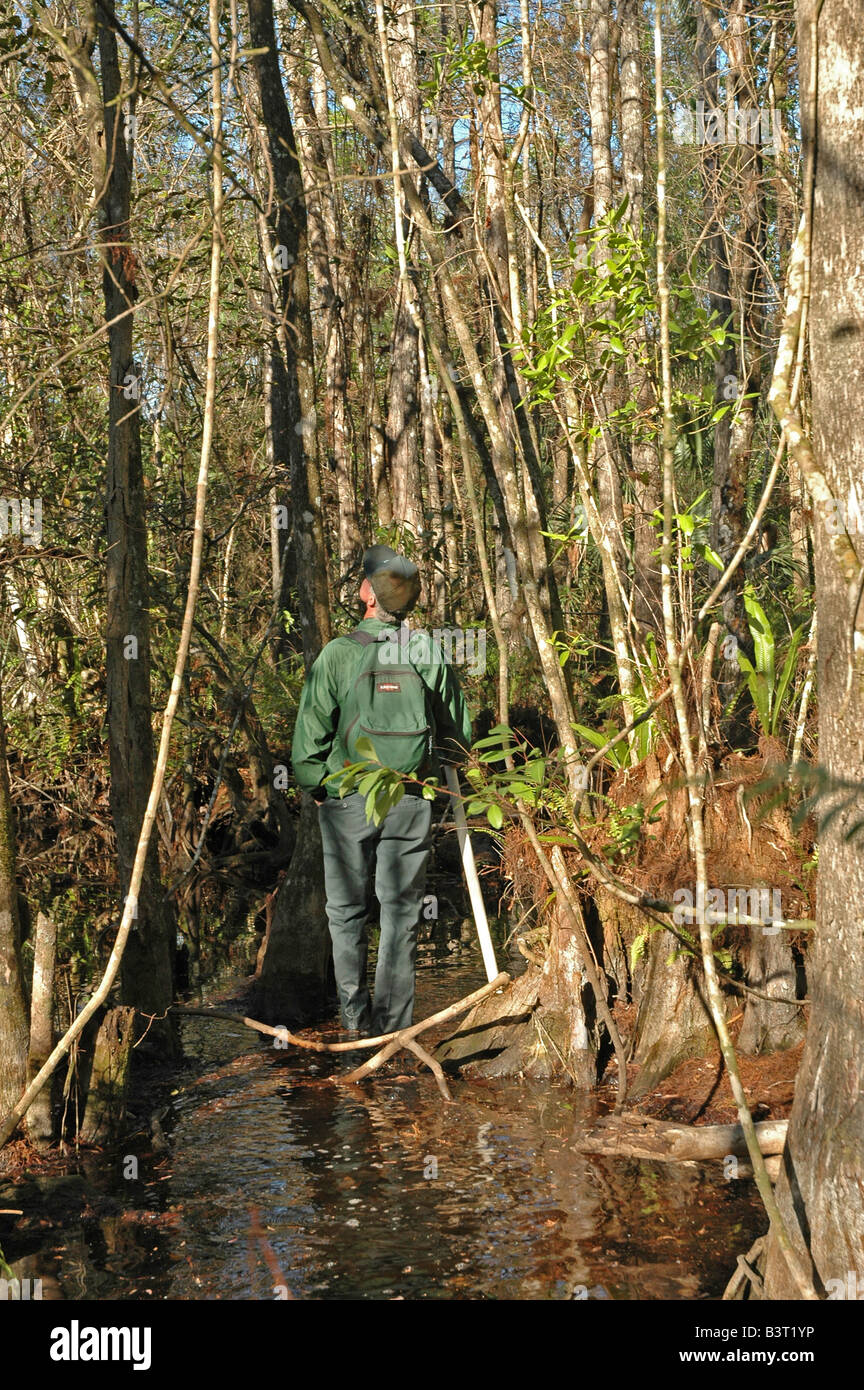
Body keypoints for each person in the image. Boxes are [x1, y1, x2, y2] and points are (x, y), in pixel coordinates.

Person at [291, 545, 472, 1037]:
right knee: (401, 913)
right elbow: (457, 730)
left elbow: (309, 738)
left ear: (369, 594)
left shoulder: (339, 653)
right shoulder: (424, 650)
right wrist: (441, 771)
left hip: (349, 797)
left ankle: (354, 1024)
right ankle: (394, 1030)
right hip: (411, 797)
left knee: (346, 912)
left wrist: (316, 787)